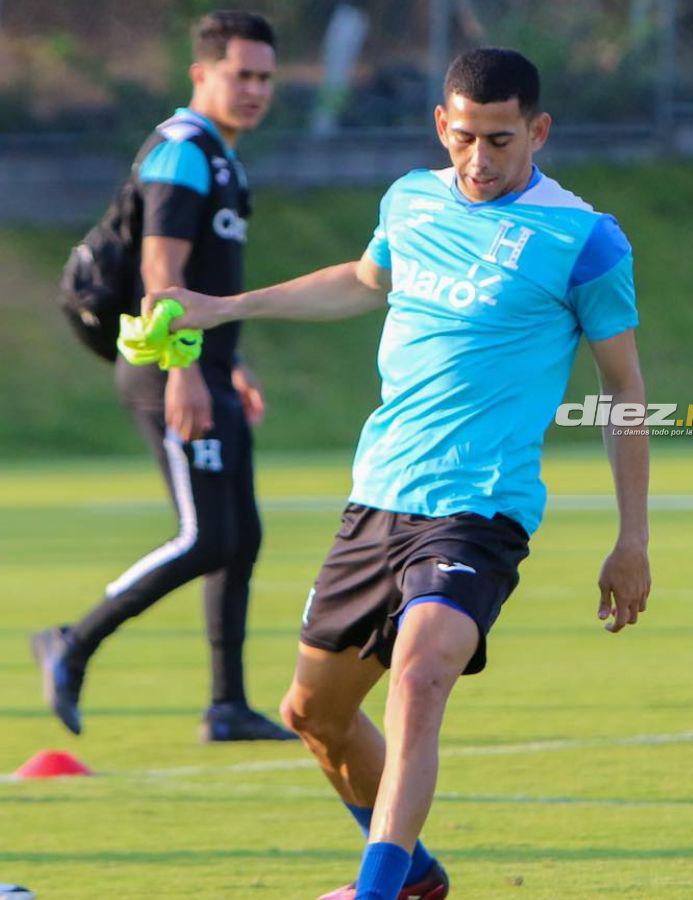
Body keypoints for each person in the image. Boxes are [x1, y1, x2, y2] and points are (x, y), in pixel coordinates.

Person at [155, 48, 651, 900]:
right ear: (440, 126)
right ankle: (416, 877)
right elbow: (361, 281)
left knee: (420, 678)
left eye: (502, 140)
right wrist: (225, 306)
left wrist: (631, 538)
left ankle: (375, 891)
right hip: (377, 499)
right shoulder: (410, 200)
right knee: (314, 716)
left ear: (537, 130)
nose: (481, 159)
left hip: (479, 511)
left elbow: (624, 387)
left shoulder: (583, 240)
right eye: (465, 138)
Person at [32, 10, 294, 743]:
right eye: (240, 75)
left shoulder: (220, 158)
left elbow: (207, 281)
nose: (254, 90)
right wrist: (183, 373)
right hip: (167, 369)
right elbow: (161, 273)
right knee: (207, 536)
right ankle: (72, 643)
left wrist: (229, 364)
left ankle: (227, 707)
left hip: (205, 367)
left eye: (265, 77)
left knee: (240, 538)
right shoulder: (182, 151)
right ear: (201, 76)